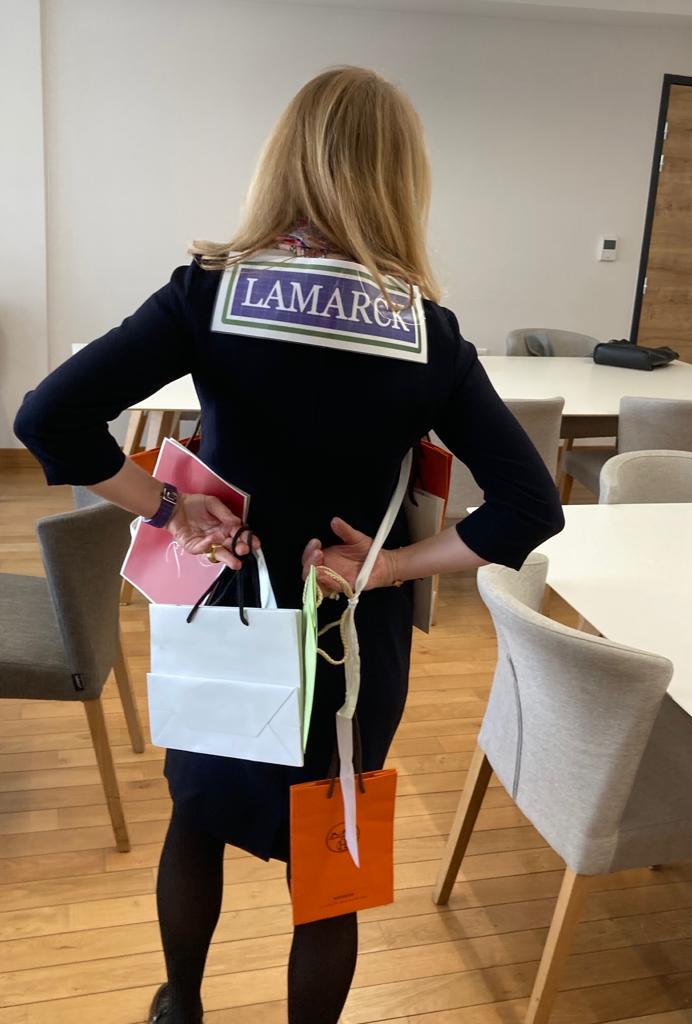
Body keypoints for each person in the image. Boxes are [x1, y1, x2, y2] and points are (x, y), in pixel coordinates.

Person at [14, 67, 564, 1024]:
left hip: (229, 611)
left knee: (196, 820)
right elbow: (529, 507)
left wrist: (168, 507)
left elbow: (48, 419)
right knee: (331, 862)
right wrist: (391, 566)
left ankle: (180, 1007)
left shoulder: (208, 294)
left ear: (284, 162)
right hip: (352, 637)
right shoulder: (427, 334)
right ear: (402, 180)